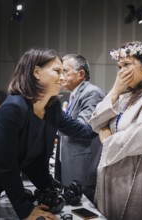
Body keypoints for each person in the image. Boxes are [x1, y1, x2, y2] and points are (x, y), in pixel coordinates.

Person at [0, 48, 96, 220]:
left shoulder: (52, 108)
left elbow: (84, 131)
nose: (62, 78)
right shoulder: (13, 108)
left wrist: (114, 103)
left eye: (64, 72)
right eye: (57, 71)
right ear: (36, 72)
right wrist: (25, 210)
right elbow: (6, 165)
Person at [89, 41, 142, 220]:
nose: (121, 72)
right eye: (119, 66)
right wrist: (114, 91)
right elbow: (95, 122)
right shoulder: (126, 95)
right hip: (113, 179)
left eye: (127, 65)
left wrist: (106, 140)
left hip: (137, 183)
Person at [58, 54, 105, 202]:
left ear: (81, 74)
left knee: (83, 211)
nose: (61, 76)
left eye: (65, 71)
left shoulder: (91, 93)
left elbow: (85, 128)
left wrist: (55, 115)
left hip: (82, 168)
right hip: (71, 164)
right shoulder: (75, 93)